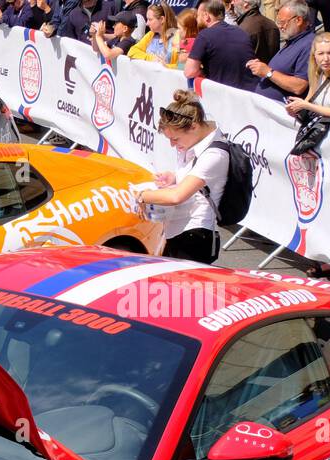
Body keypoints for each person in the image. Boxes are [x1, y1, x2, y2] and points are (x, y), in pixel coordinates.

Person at [135, 90, 229, 263]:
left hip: (195, 236)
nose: (172, 144)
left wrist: (142, 196)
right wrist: (174, 176)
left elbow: (177, 196)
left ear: (193, 127)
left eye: (175, 139)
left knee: (183, 289)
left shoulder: (215, 155)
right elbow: (194, 178)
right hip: (179, 228)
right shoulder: (195, 140)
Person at [248, 0, 315, 102]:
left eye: (282, 22)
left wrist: (268, 72)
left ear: (298, 20)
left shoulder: (309, 44)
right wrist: (261, 68)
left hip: (281, 109)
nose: (279, 26)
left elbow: (299, 86)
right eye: (278, 22)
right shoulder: (294, 40)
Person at [186, 0, 258, 89]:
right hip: (250, 92)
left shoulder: (204, 35)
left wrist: (203, 71)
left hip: (224, 94)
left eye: (198, 15)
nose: (196, 19)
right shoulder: (241, 31)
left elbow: (189, 72)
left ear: (206, 16)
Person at [286, 31, 330, 118]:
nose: (325, 59)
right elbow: (309, 101)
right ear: (314, 55)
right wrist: (296, 109)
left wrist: (307, 106)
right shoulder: (317, 72)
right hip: (320, 126)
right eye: (321, 53)